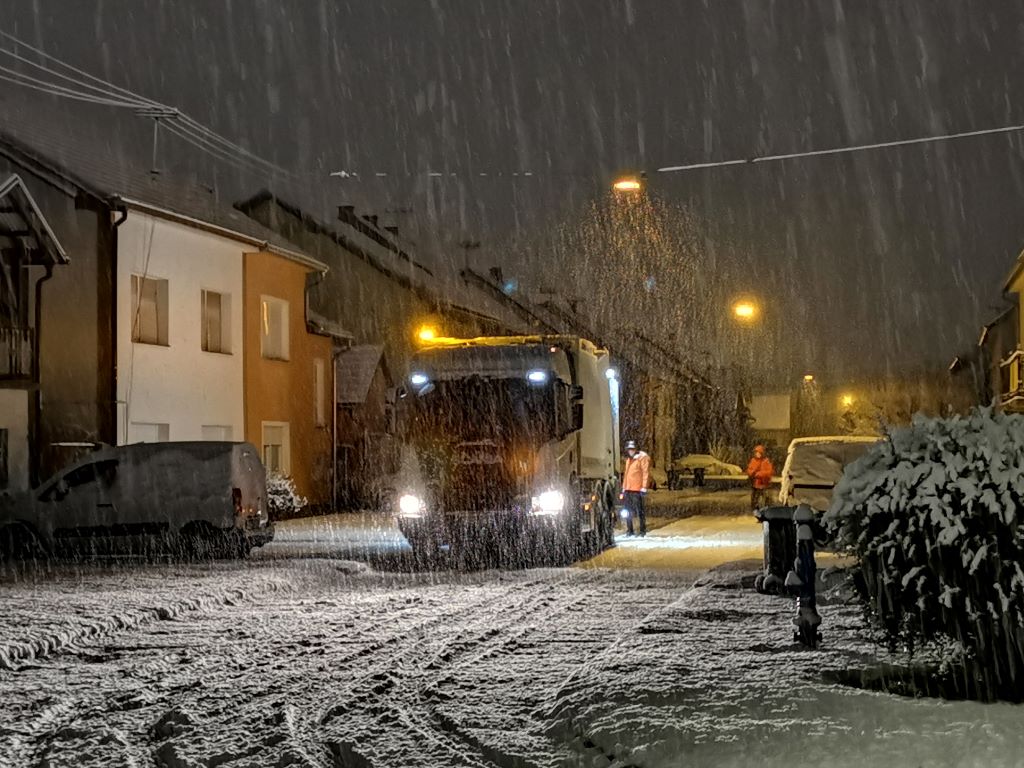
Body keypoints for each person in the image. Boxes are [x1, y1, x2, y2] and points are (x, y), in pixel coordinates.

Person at [621, 440, 650, 536]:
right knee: (627, 511)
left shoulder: (642, 458)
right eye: (629, 449)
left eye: (632, 449)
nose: (630, 451)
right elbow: (626, 475)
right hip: (628, 489)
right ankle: (630, 530)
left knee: (639, 511)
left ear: (636, 449)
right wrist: (624, 487)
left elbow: (645, 473)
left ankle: (642, 530)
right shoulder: (628, 460)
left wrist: (644, 487)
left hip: (637, 490)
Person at [746, 444, 774, 511]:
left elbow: (769, 472)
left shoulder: (766, 461)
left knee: (766, 500)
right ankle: (756, 512)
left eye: (759, 452)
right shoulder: (753, 461)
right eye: (756, 452)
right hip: (755, 485)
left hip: (764, 484)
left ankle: (765, 511)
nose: (757, 454)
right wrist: (753, 472)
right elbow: (749, 471)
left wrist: (758, 474)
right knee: (755, 500)